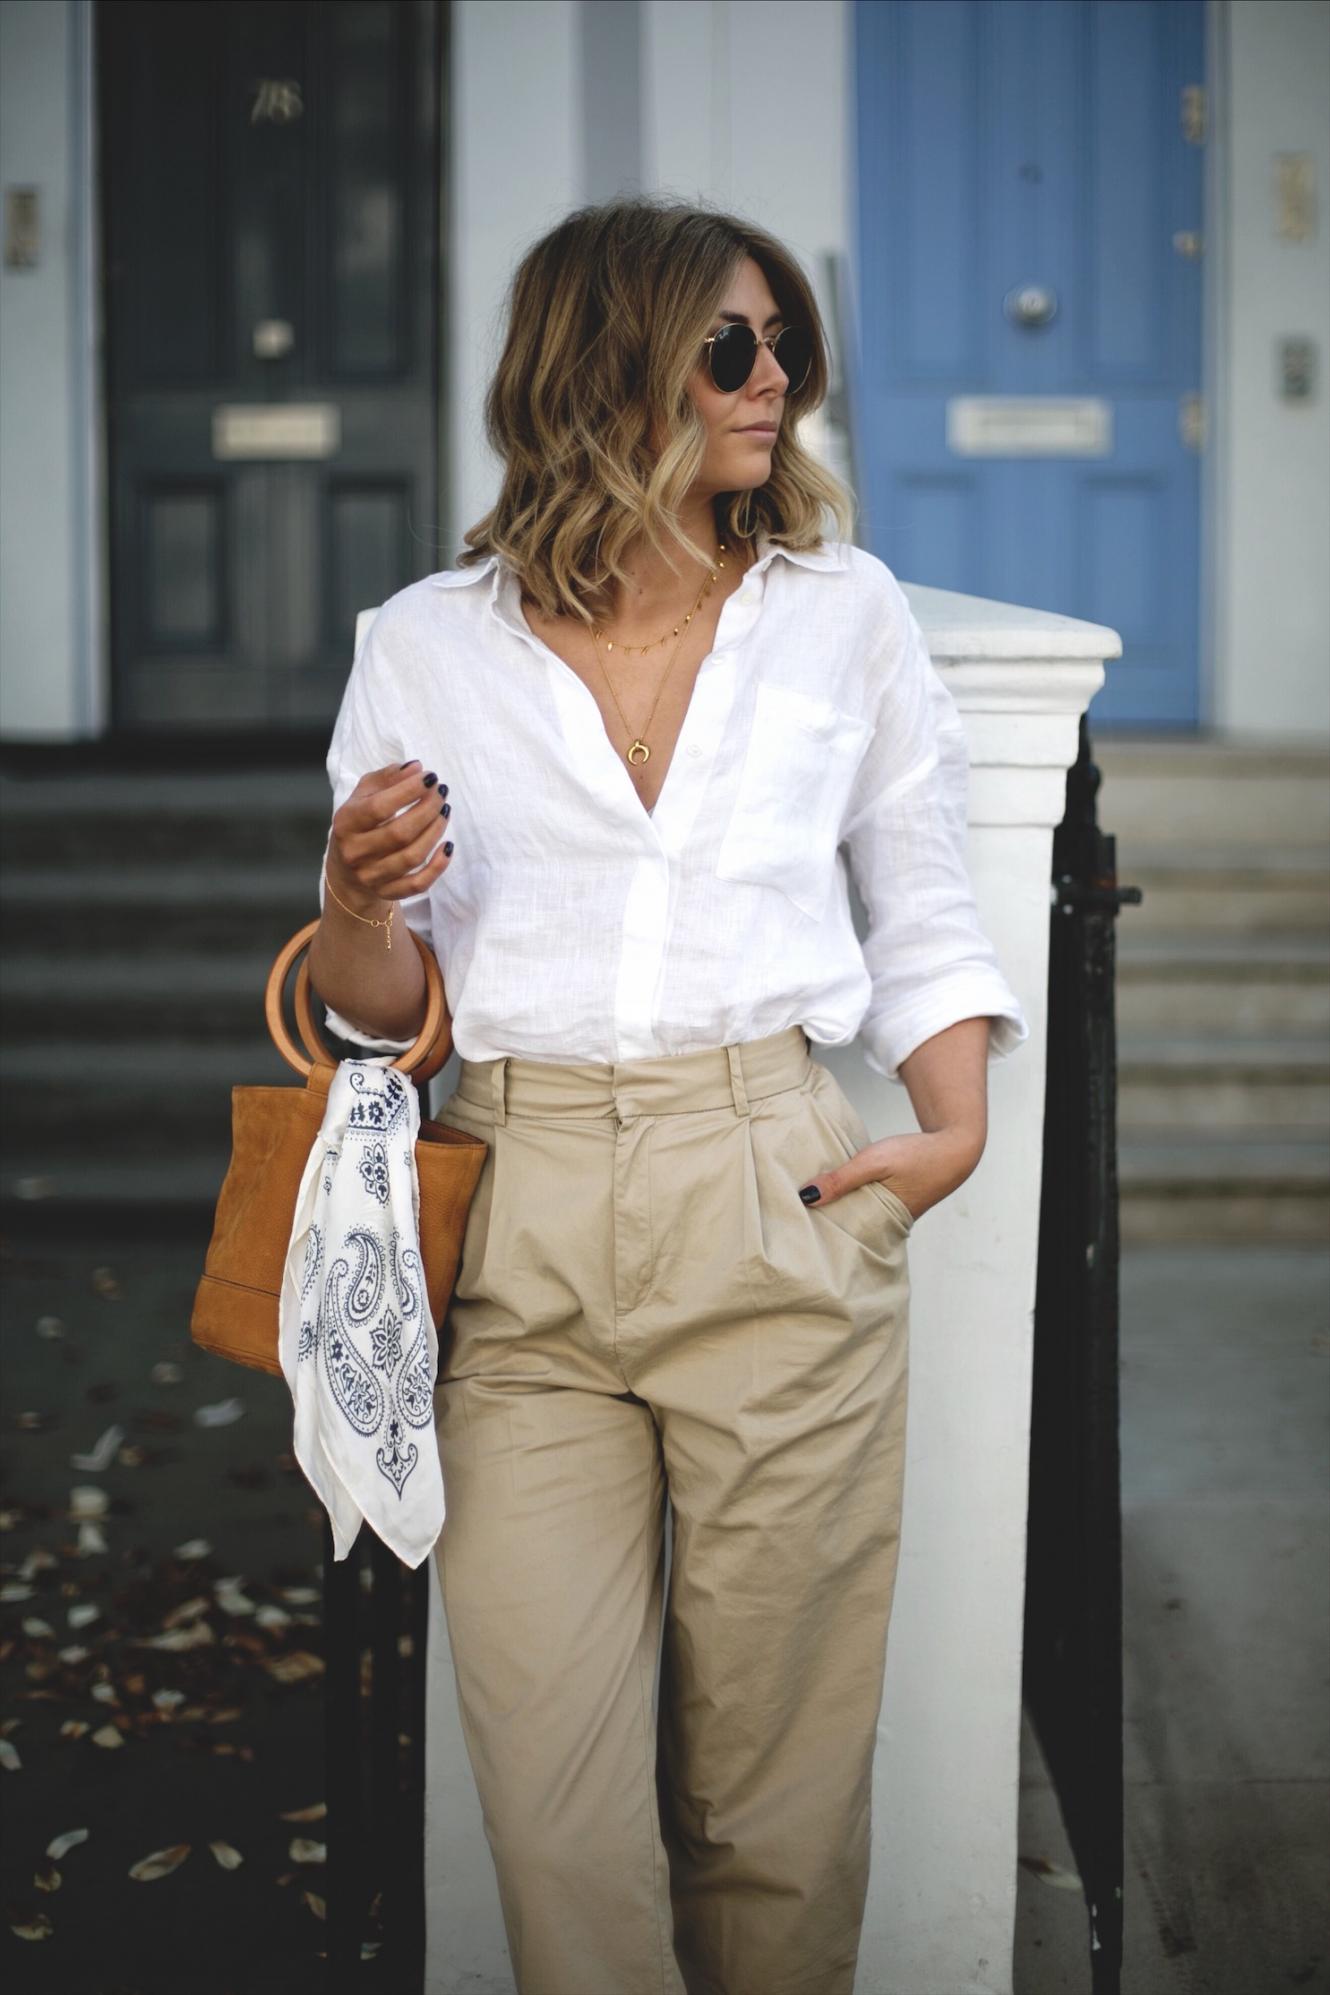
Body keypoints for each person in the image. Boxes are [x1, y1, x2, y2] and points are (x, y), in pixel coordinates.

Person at [308, 195, 1028, 1995]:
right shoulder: (424, 644)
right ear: (604, 365)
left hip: (771, 1186)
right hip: (522, 1217)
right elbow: (390, 1011)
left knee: (772, 1809)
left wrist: (945, 1136)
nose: (772, 376)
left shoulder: (835, 615)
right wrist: (350, 904)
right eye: (730, 345)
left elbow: (918, 891)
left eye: (784, 344)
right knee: (555, 1813)